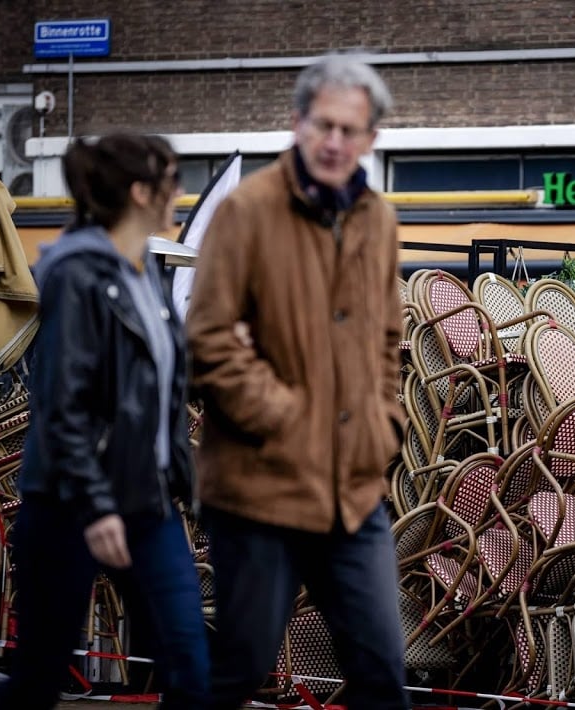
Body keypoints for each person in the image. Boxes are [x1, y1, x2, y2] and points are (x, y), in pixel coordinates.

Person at [185, 56, 409, 709]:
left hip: (354, 490)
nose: (335, 141)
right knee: (240, 669)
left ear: (370, 139)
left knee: (380, 671)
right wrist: (283, 416)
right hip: (261, 491)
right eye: (323, 126)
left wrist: (383, 425)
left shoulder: (380, 220)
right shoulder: (247, 212)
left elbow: (388, 342)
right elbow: (209, 338)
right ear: (297, 123)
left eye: (351, 129)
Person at [0, 133, 209, 709]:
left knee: (188, 664)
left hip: (146, 503)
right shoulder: (77, 272)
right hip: (72, 505)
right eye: (171, 180)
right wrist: (95, 506)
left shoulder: (146, 276)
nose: (180, 193)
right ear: (141, 192)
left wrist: (190, 486)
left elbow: (161, 397)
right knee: (41, 675)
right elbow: (62, 406)